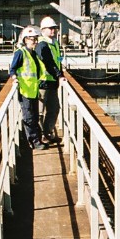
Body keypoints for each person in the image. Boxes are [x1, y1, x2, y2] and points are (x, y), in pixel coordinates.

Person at [35, 15, 72, 144]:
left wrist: (60, 74)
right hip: (42, 82)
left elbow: (57, 62)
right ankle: (41, 137)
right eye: (50, 28)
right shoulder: (41, 44)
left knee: (54, 108)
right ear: (43, 30)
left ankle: (47, 132)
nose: (53, 31)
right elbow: (48, 62)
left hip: (52, 82)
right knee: (39, 112)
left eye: (54, 28)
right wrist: (59, 75)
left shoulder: (54, 43)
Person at [9, 26, 48, 150]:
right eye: (32, 39)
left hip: (33, 90)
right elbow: (13, 69)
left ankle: (37, 139)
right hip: (24, 91)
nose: (35, 42)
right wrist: (14, 78)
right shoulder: (21, 53)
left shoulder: (33, 54)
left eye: (36, 39)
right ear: (25, 40)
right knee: (29, 117)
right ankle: (34, 141)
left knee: (35, 117)